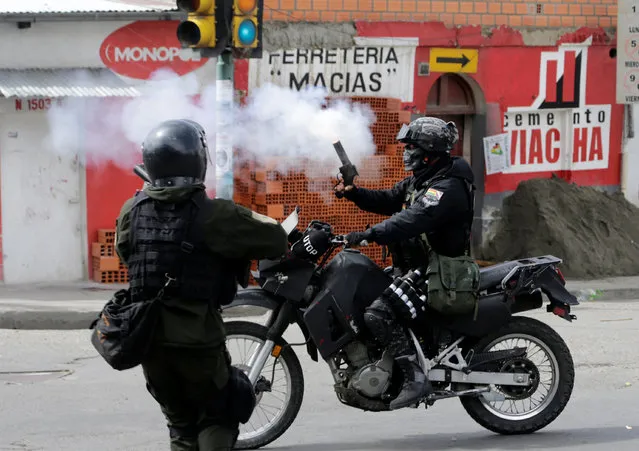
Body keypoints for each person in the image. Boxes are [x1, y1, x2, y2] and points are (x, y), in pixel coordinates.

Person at [114, 119, 289, 450]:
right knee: (216, 417)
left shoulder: (131, 211)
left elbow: (126, 254)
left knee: (180, 425)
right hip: (197, 340)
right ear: (198, 160)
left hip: (149, 342)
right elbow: (276, 239)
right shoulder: (215, 214)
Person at [334, 117, 475, 410]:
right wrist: (355, 193)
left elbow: (411, 220)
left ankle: (414, 377)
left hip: (439, 271)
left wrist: (366, 236)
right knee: (365, 296)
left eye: (411, 146)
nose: (406, 151)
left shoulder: (447, 187)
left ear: (429, 149)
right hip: (418, 267)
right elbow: (389, 199)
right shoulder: (423, 177)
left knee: (378, 313)